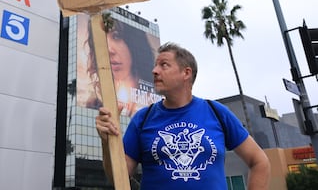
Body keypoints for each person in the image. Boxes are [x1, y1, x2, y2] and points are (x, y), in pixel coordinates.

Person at [96, 42, 271, 189]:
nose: (155, 71)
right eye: (155, 65)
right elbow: (118, 177)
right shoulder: (143, 119)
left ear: (186, 73)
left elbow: (260, 162)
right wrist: (107, 142)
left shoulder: (217, 112)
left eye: (164, 65)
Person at [84, 17, 158, 116]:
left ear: (134, 42)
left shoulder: (157, 101)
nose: (108, 49)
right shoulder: (94, 103)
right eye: (100, 40)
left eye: (116, 36)